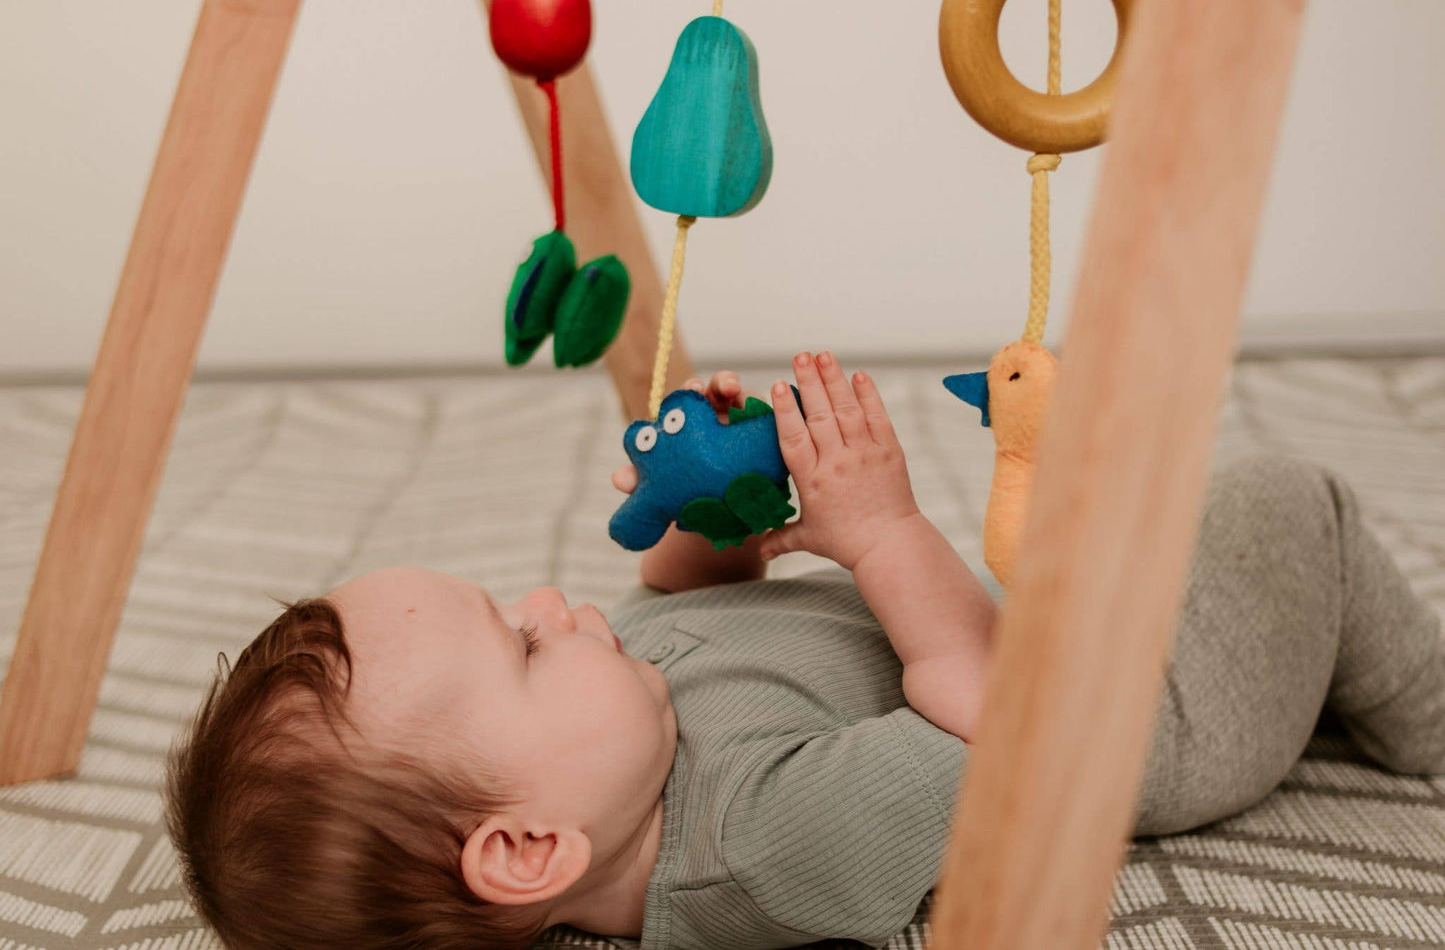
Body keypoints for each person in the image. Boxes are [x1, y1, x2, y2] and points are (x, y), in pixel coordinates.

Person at [165, 351, 1445, 950]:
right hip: (1132, 724)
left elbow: (692, 608)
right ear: (525, 850)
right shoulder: (758, 847)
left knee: (1151, 504)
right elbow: (996, 733)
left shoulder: (614, 738)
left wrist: (708, 518)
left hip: (1030, 645)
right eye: (521, 644)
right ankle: (1424, 719)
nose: (555, 601)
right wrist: (879, 531)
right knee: (1287, 507)